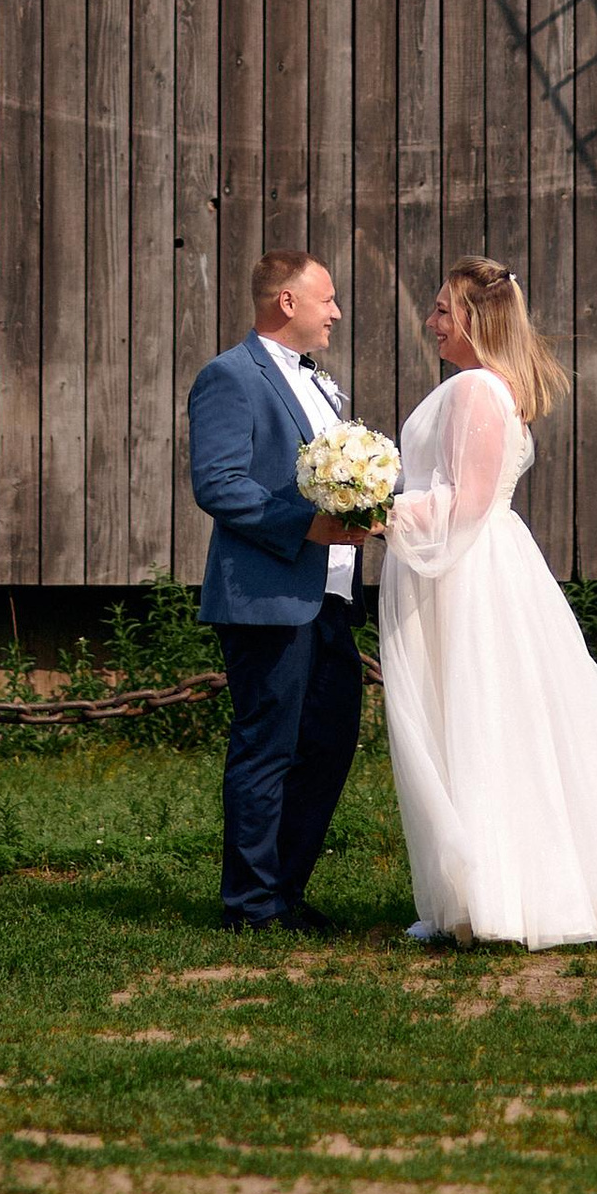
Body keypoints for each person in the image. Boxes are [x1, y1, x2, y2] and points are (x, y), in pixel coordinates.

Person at [378, 259, 597, 949]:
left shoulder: (477, 388)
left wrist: (374, 509)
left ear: (474, 319)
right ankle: (485, 895)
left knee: (481, 721)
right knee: (494, 721)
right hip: (475, 565)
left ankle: (502, 899)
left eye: (443, 310)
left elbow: (467, 503)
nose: (431, 321)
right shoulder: (490, 387)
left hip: (471, 577)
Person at [187, 248, 366, 934]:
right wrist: (307, 526)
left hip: (331, 595)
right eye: (328, 299)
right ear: (287, 302)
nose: (337, 312)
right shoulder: (230, 376)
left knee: (329, 743)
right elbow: (219, 483)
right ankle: (251, 906)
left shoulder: (317, 381)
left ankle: (285, 891)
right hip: (266, 594)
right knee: (268, 748)